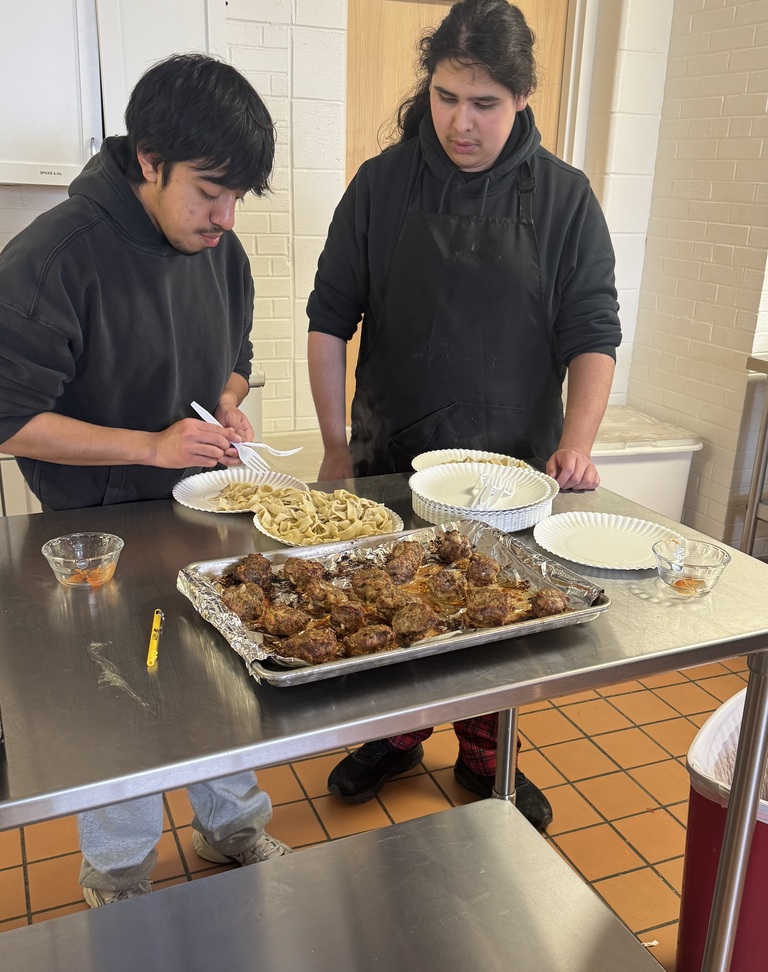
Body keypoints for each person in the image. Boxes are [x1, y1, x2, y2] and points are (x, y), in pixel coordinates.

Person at [306, 0, 621, 831]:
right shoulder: (381, 184)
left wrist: (578, 446)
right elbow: (328, 317)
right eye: (447, 97)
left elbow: (593, 332)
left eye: (483, 103)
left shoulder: (564, 199)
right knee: (391, 604)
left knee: (501, 619)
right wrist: (337, 445)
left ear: (520, 99)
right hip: (392, 454)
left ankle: (489, 749)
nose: (460, 122)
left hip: (513, 464)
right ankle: (398, 737)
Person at [0, 54, 292, 905]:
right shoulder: (56, 256)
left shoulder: (218, 250)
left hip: (205, 523)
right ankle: (120, 876)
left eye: (239, 197)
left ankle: (233, 828)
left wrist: (228, 412)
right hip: (89, 538)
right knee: (118, 701)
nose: (224, 217)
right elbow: (10, 419)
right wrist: (151, 447)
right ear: (148, 161)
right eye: (209, 191)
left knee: (224, 680)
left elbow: (233, 363)